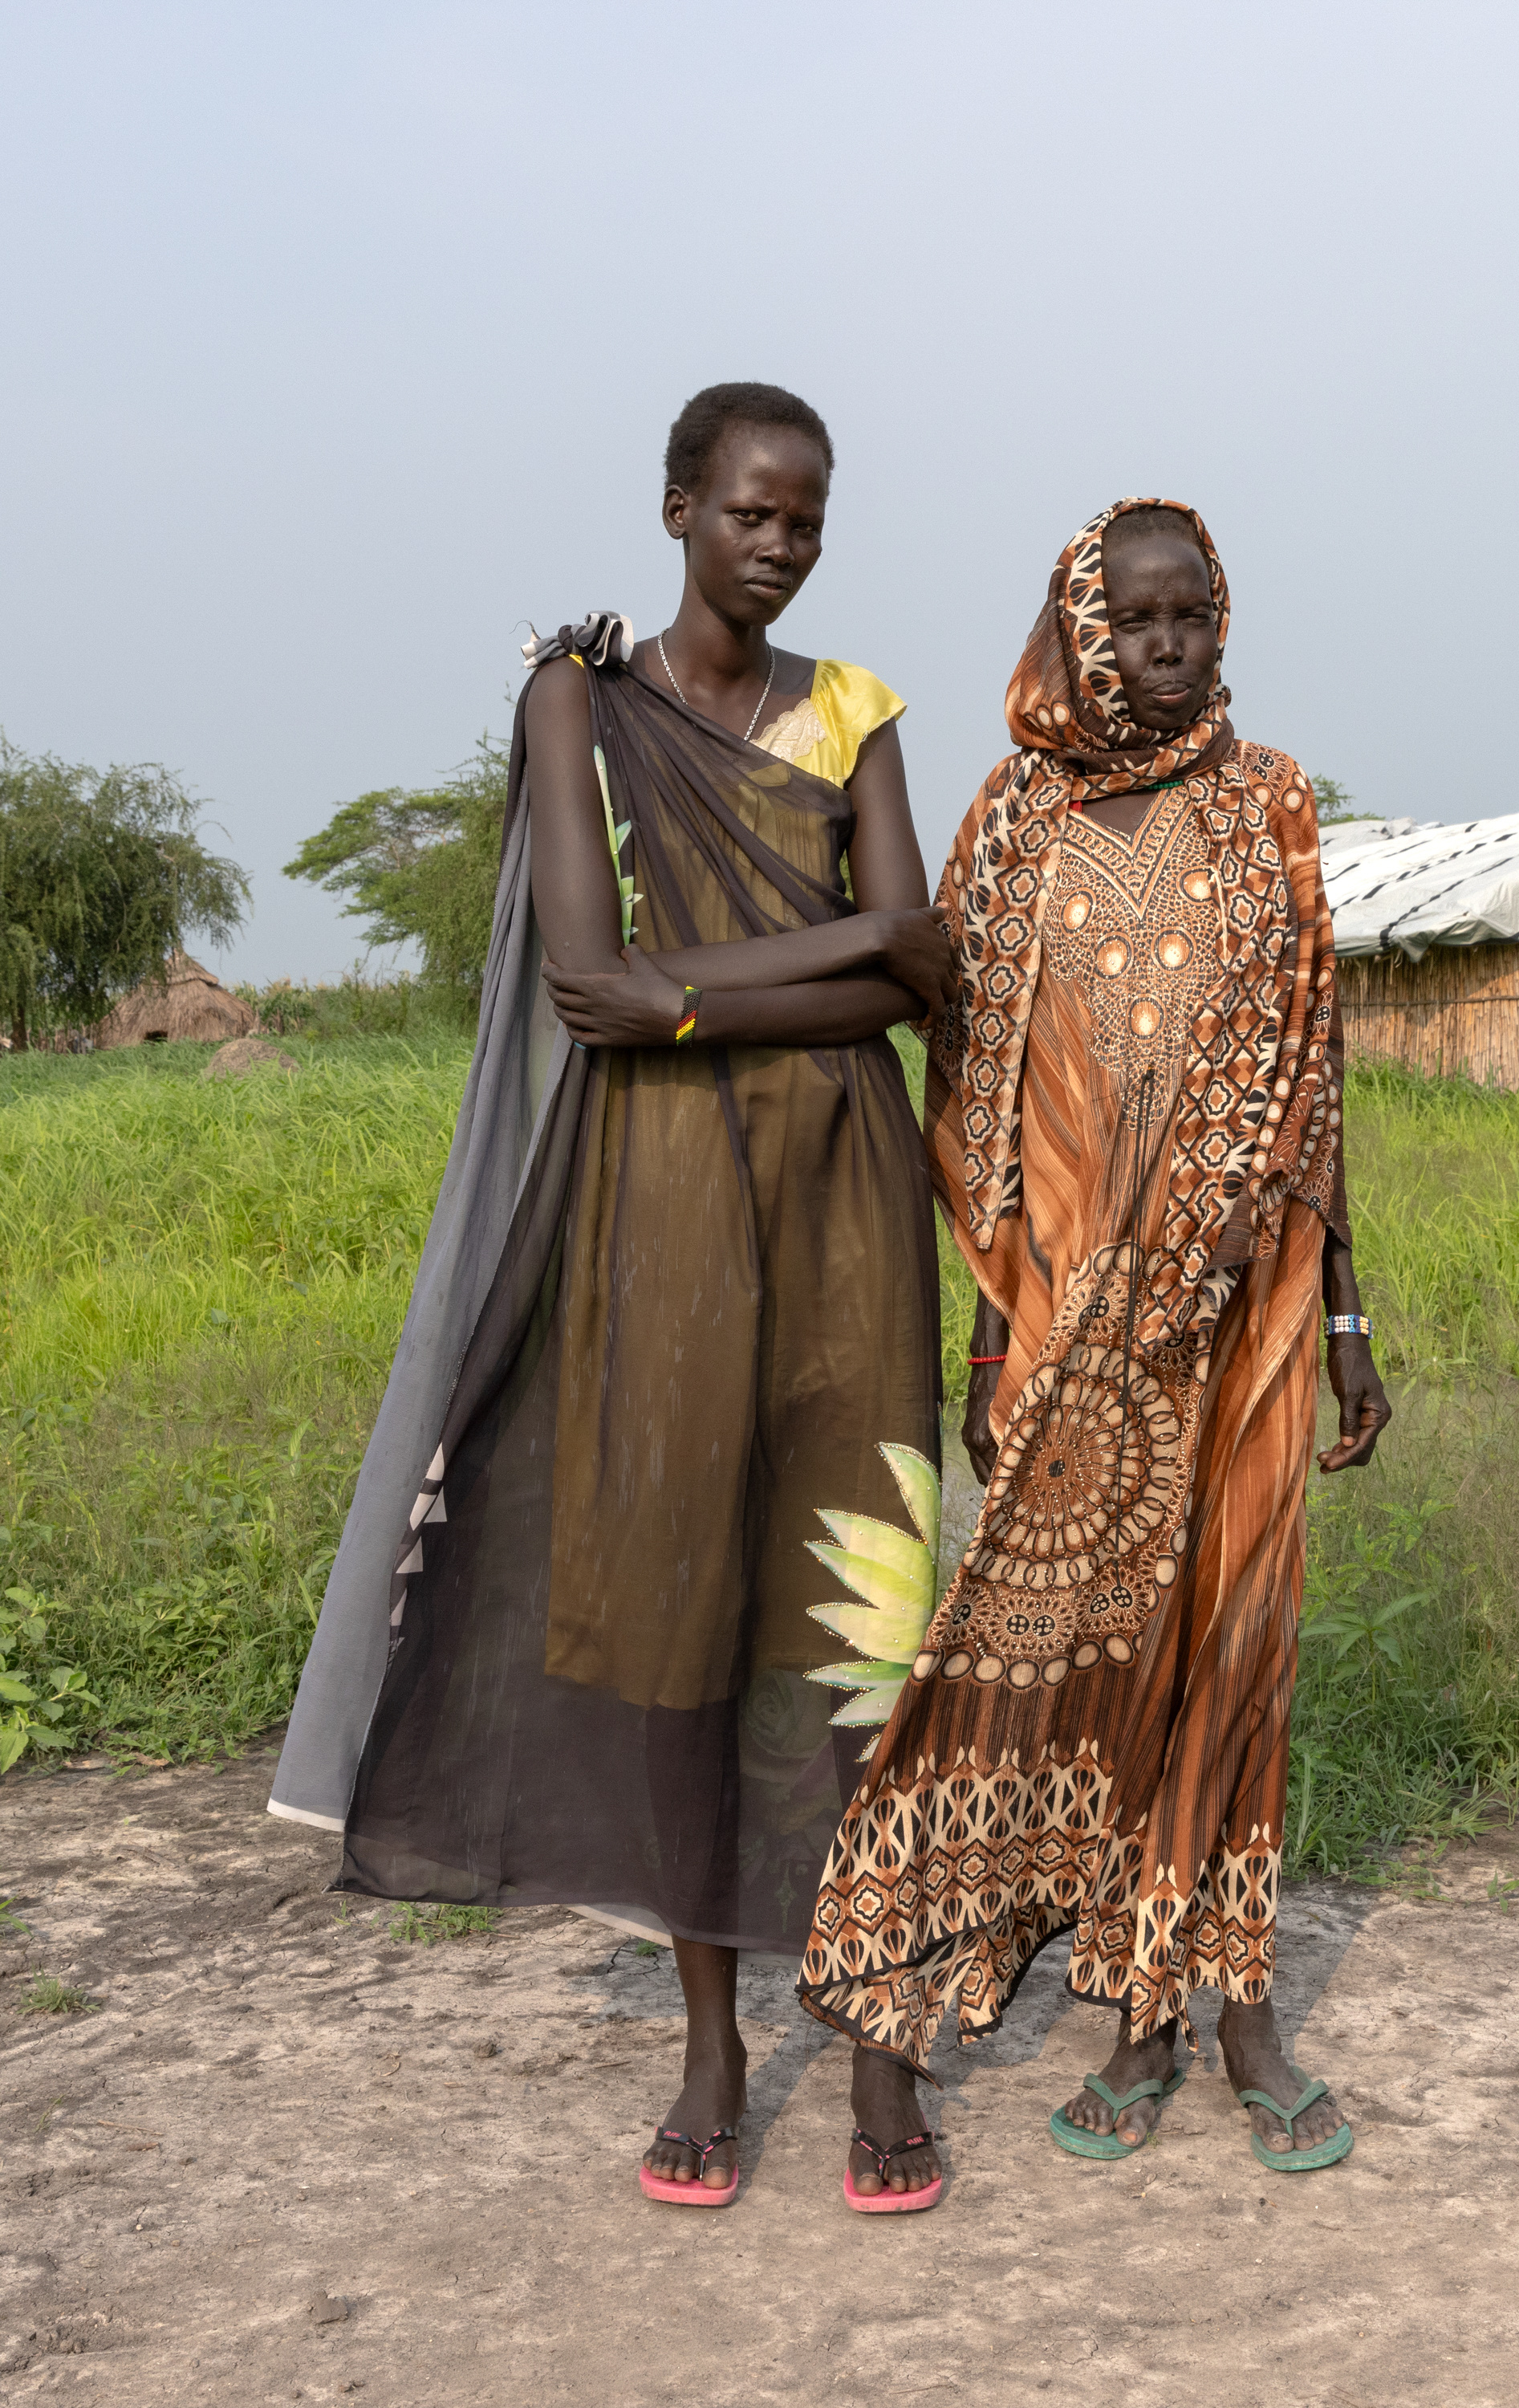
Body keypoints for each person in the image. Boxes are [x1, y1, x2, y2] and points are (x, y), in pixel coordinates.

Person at [266, 380, 955, 2208]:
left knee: (856, 1627)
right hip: (649, 1209)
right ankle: (714, 2049)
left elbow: (914, 980)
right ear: (673, 511)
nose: (780, 542)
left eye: (806, 516)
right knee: (671, 1621)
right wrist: (840, 949)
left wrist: (701, 989)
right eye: (748, 511)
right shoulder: (577, 697)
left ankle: (881, 2041)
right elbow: (590, 980)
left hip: (843, 1206)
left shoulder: (858, 712)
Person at [798, 496, 1390, 2199]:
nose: (1169, 642)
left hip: (1256, 1306)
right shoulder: (1008, 825)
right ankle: (1128, 2008)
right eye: (1134, 619)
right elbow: (978, 1111)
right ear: (1078, 628)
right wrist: (995, 1352)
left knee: (1237, 1647)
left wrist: (1344, 1316)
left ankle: (1242, 2007)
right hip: (1074, 1325)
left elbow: (1311, 1073)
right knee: (1094, 1659)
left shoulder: (1266, 801)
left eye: (1192, 611)